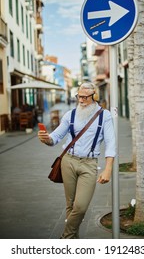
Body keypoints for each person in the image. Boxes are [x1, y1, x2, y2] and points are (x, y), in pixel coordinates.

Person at [38, 82, 116, 239]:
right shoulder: (70, 115)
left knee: (80, 207)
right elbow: (56, 137)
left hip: (89, 164)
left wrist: (108, 169)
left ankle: (65, 237)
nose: (80, 100)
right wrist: (46, 138)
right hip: (68, 161)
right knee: (71, 205)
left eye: (85, 97)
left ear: (94, 97)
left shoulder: (104, 115)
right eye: (79, 96)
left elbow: (110, 143)